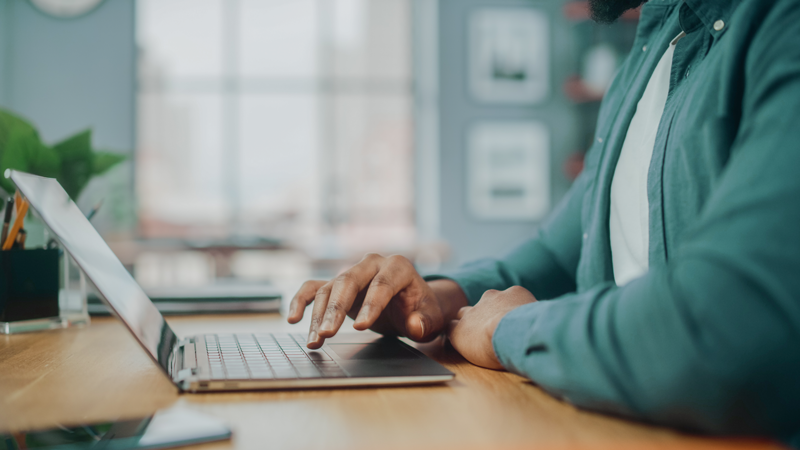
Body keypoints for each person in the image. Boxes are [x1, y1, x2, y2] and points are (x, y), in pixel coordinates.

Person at [288, 0, 800, 445]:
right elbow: (560, 252)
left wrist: (508, 329)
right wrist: (434, 299)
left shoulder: (782, 25)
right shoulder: (651, 49)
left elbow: (725, 329)